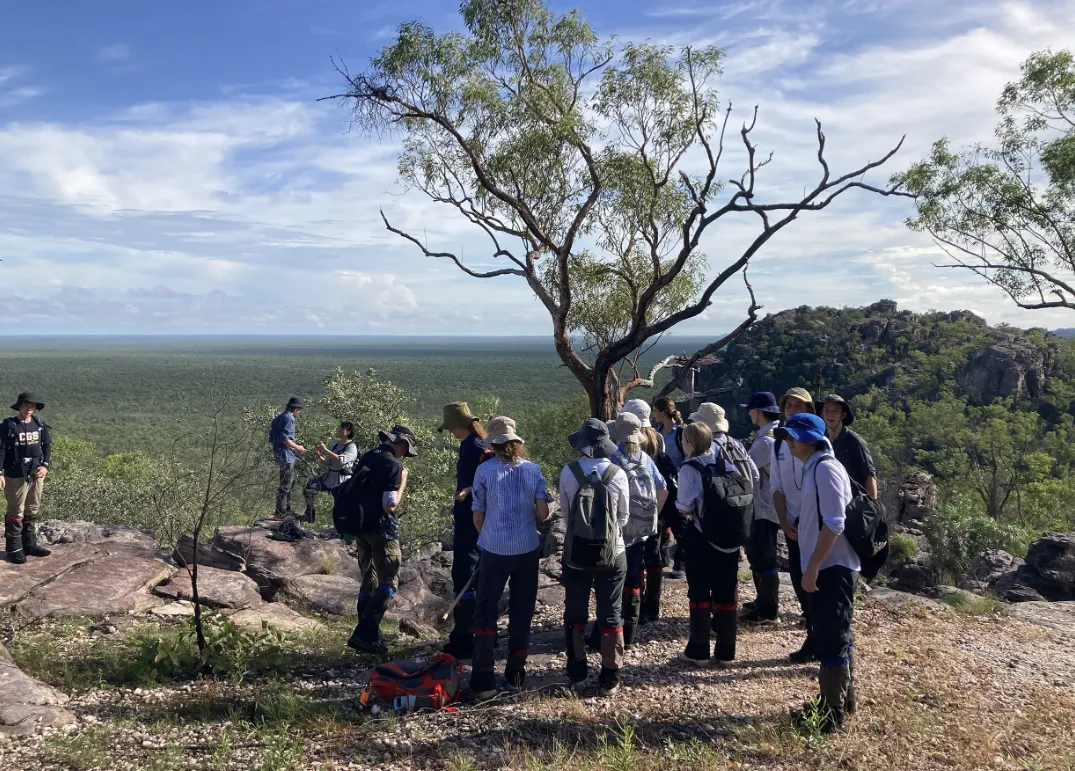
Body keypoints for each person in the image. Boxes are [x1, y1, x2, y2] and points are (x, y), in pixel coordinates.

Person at [777, 412, 859, 733]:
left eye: (794, 434)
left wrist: (812, 567)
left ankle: (831, 715)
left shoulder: (825, 468)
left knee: (831, 638)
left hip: (832, 567)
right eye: (787, 434)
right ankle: (842, 701)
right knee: (836, 635)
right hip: (828, 565)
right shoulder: (815, 467)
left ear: (813, 437)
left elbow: (835, 523)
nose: (789, 440)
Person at [469, 417, 551, 701]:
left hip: (494, 548)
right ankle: (516, 674)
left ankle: (483, 679)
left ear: (493, 444)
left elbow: (477, 515)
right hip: (527, 547)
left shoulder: (484, 471)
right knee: (521, 610)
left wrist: (489, 535)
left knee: (486, 610)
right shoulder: (533, 470)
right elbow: (543, 514)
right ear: (516, 443)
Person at [560, 418, 630, 696]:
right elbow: (623, 517)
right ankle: (610, 675)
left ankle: (577, 671)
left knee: (575, 610)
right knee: (610, 612)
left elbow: (566, 516)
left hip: (576, 554)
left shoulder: (569, 472)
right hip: (613, 554)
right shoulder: (618, 473)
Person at [675, 421, 744, 668]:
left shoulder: (689, 469)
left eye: (683, 439)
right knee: (727, 593)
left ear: (690, 443)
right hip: (729, 540)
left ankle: (699, 650)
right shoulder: (727, 464)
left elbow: (684, 506)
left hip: (701, 538)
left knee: (700, 593)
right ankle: (726, 652)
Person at [345, 425, 417, 655]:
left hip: (360, 526)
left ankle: (370, 638)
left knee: (368, 580)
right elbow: (390, 504)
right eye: (406, 449)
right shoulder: (393, 465)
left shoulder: (368, 456)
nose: (405, 454)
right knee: (389, 581)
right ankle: (364, 634)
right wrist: (403, 481)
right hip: (382, 529)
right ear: (402, 442)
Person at [770, 386, 827, 663]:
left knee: (817, 581)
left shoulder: (821, 449)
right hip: (792, 522)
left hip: (816, 523)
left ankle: (821, 639)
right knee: (798, 578)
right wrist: (783, 521)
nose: (792, 409)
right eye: (788, 405)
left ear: (809, 411)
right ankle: (813, 632)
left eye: (798, 406)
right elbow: (777, 485)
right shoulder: (780, 443)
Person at [608, 412, 668, 648]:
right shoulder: (644, 458)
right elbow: (663, 489)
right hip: (642, 529)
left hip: (620, 532)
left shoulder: (613, 460)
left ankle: (617, 629)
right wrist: (653, 514)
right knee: (634, 577)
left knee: (617, 578)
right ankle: (633, 628)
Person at [439, 402, 491, 660]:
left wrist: (469, 491)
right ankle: (477, 633)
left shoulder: (475, 446)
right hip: (477, 518)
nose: (450, 432)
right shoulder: (479, 443)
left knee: (465, 573)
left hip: (472, 519)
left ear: (459, 425)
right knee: (476, 573)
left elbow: (488, 477)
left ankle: (463, 638)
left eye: (451, 428)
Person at [740, 392, 783, 624]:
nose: (749, 413)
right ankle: (763, 601)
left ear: (760, 412)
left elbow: (747, 468)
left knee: (763, 556)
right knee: (759, 555)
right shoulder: (770, 436)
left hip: (763, 507)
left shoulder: (767, 441)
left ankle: (769, 610)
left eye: (752, 409)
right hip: (766, 505)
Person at [1, 393, 53, 565]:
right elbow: (1, 450)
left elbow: (47, 445)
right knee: (16, 510)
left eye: (32, 405)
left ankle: (29, 544)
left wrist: (45, 465)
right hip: (15, 474)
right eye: (25, 405)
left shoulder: (39, 424)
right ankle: (14, 549)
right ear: (19, 407)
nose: (29, 408)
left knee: (32, 508)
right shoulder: (9, 426)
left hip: (35, 473)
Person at [652, 397, 688, 581]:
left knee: (679, 526)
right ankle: (661, 559)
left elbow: (687, 459)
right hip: (659, 486)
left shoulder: (680, 432)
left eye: (655, 410)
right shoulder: (656, 432)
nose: (653, 414)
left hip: (677, 487)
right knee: (659, 525)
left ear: (663, 413)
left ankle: (680, 565)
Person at [818, 395, 878, 499]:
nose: (830, 414)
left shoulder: (854, 441)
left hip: (852, 503)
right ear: (822, 413)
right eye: (827, 410)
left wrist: (872, 508)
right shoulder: (820, 440)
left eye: (836, 411)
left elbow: (869, 475)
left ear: (843, 415)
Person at [302, 421, 359, 523]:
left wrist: (325, 450)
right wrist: (319, 455)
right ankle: (309, 516)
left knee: (340, 506)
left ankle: (341, 527)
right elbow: (327, 462)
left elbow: (341, 461)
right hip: (329, 477)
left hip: (342, 481)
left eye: (342, 429)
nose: (339, 430)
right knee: (309, 487)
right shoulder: (334, 445)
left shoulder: (352, 447)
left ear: (349, 431)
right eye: (340, 428)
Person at [269, 397, 307, 519]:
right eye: (299, 410)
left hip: (280, 453)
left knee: (288, 482)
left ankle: (286, 509)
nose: (299, 412)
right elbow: (285, 439)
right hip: (286, 455)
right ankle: (281, 512)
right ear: (296, 409)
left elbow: (274, 436)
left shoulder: (280, 417)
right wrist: (298, 447)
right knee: (286, 483)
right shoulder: (289, 418)